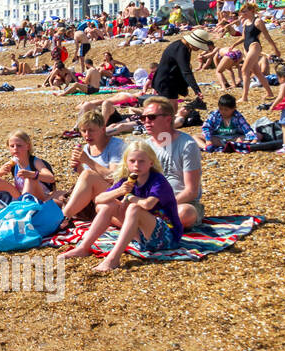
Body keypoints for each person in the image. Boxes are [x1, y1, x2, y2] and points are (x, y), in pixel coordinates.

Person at [59, 140, 182, 272]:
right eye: (132, 161)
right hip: (141, 236)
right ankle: (83, 248)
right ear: (126, 162)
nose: (136, 165)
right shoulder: (128, 180)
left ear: (151, 163)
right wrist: (119, 191)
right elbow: (99, 199)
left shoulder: (158, 180)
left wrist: (129, 197)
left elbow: (148, 204)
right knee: (108, 205)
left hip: (167, 237)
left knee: (134, 208)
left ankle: (113, 259)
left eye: (141, 161)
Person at [141, 96, 204, 229]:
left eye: (151, 117)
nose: (146, 121)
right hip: (150, 202)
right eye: (143, 118)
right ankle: (151, 224)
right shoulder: (145, 146)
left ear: (168, 119)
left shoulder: (187, 145)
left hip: (180, 202)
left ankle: (145, 225)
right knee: (106, 207)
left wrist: (162, 205)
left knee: (185, 213)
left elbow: (191, 191)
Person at [59, 111, 126, 222]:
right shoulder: (87, 148)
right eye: (83, 131)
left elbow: (114, 178)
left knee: (88, 175)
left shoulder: (116, 145)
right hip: (97, 196)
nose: (87, 134)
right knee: (55, 198)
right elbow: (86, 182)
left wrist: (88, 161)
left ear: (103, 129)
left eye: (91, 130)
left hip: (117, 194)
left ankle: (63, 218)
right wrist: (78, 166)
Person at [0, 130, 55, 205]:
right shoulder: (13, 163)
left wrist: (31, 174)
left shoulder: (35, 162)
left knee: (29, 179)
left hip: (41, 197)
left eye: (19, 145)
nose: (15, 148)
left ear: (28, 146)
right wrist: (0, 172)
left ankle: (21, 207)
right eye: (12, 146)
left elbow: (51, 178)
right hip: (22, 196)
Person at [151, 28, 211, 101]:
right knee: (169, 107)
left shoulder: (184, 47)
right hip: (166, 82)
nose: (199, 49)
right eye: (198, 46)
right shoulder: (180, 49)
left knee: (173, 105)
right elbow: (186, 71)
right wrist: (196, 90)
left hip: (171, 81)